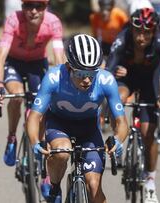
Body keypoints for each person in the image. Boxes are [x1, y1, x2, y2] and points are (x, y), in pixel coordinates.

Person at [27, 34, 129, 203]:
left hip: (88, 128)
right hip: (59, 123)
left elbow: (121, 121)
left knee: (95, 188)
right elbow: (34, 116)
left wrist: (118, 139)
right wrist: (34, 141)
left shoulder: (106, 79)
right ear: (68, 68)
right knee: (63, 151)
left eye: (92, 73)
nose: (87, 80)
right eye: (81, 73)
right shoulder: (54, 77)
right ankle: (54, 186)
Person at [0, 0, 65, 167]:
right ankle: (11, 138)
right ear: (22, 7)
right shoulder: (13, 19)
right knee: (16, 96)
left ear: (45, 8)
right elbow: (1, 56)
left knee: (41, 106)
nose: (33, 11)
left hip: (37, 64)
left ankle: (38, 144)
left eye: (38, 6)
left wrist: (62, 84)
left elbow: (59, 57)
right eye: (28, 6)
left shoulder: (53, 22)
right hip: (14, 63)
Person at [106, 7, 160, 203]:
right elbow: (109, 68)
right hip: (128, 80)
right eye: (137, 31)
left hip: (151, 84)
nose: (141, 37)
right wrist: (116, 69)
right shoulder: (122, 39)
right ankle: (118, 142)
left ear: (154, 31)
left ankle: (150, 181)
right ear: (131, 29)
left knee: (149, 134)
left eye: (147, 32)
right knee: (120, 98)